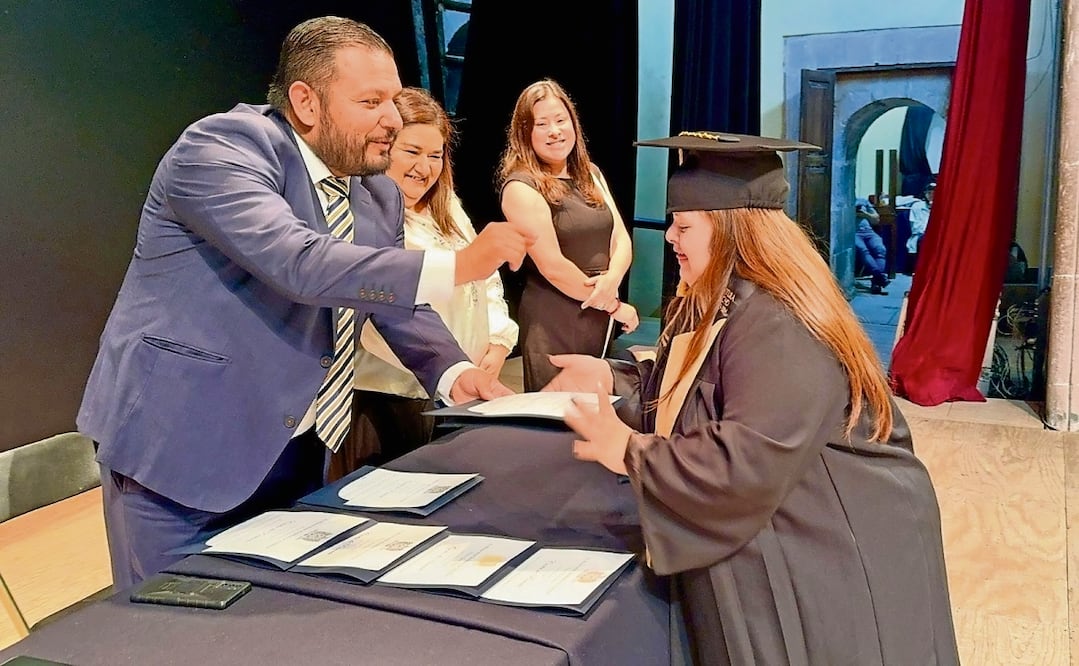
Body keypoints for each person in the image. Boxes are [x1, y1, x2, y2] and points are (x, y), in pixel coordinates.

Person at [77, 16, 533, 589]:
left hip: (297, 450)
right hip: (182, 452)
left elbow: (392, 302)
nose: (392, 119)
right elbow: (300, 263)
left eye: (394, 100)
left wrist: (453, 371)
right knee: (171, 633)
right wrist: (461, 265)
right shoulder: (221, 150)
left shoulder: (377, 192)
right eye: (372, 101)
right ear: (306, 102)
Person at [548, 131, 959, 664]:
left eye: (684, 225)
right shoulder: (713, 294)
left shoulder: (780, 320)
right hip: (790, 513)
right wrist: (611, 376)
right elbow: (690, 390)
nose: (671, 237)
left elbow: (746, 459)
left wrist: (628, 450)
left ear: (733, 230)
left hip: (837, 535)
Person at [329, 87, 519, 478]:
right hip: (390, 395)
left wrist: (498, 341)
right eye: (412, 152)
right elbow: (386, 308)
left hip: (455, 386)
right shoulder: (363, 216)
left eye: (435, 155)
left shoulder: (445, 205)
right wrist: (450, 365)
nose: (424, 167)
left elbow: (487, 281)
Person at [499, 79, 639, 391]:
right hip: (556, 318)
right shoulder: (521, 187)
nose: (555, 131)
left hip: (598, 306)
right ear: (525, 133)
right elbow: (553, 266)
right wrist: (614, 305)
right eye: (543, 124)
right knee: (558, 422)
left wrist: (611, 281)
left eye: (561, 120)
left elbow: (621, 238)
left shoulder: (590, 172)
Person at [853, 197, 890, 294]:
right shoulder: (842, 202)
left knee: (880, 249)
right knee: (863, 250)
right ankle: (880, 276)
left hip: (868, 231)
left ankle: (877, 281)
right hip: (853, 232)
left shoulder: (863, 201)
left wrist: (865, 214)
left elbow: (876, 219)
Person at [906, 180, 936, 268]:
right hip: (921, 235)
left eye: (934, 193)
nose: (931, 195)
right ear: (925, 194)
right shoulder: (917, 207)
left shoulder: (942, 206)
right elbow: (915, 227)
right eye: (929, 193)